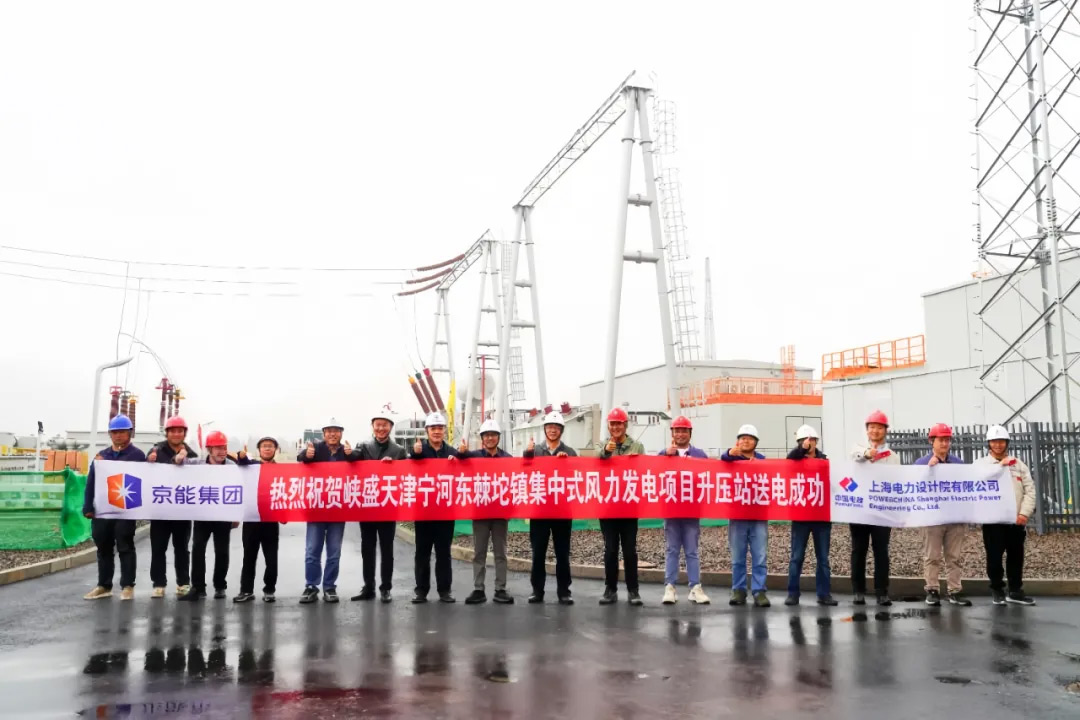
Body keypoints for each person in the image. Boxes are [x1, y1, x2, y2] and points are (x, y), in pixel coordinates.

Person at [82, 415, 145, 600]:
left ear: (129, 433)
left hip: (125, 510)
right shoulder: (102, 456)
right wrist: (88, 506)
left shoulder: (137, 456)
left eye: (122, 432)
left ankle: (127, 586)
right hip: (102, 511)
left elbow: (146, 482)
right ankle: (104, 585)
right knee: (103, 547)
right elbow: (91, 482)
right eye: (114, 432)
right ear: (110, 434)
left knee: (125, 546)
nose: (118, 435)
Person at [350, 409, 406, 603]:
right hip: (367, 506)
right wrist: (349, 453)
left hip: (388, 507)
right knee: (367, 549)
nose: (381, 428)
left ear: (390, 427)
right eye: (378, 425)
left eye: (385, 425)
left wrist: (394, 466)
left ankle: (386, 588)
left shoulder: (398, 451)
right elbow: (352, 462)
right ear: (372, 427)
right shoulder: (363, 446)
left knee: (387, 549)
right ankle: (368, 587)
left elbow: (407, 475)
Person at [975, 425, 1036, 606]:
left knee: (1016, 557)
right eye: (994, 442)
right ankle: (997, 589)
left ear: (1007, 443)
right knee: (994, 558)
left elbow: (1030, 490)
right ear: (988, 444)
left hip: (1016, 521)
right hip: (993, 521)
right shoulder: (980, 465)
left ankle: (1015, 591)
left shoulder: (1018, 465)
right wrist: (999, 467)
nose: (998, 445)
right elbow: (974, 482)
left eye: (1001, 441)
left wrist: (1024, 513)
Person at [522, 411, 577, 605]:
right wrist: (527, 454)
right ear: (544, 429)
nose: (552, 430)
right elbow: (524, 472)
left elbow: (577, 477)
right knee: (538, 553)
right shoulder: (535, 450)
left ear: (561, 430)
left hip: (562, 510)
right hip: (539, 510)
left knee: (562, 553)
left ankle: (564, 591)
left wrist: (566, 463)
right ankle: (537, 591)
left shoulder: (570, 452)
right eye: (549, 427)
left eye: (556, 427)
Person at [458, 419, 514, 605]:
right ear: (482, 438)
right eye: (486, 435)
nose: (490, 438)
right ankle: (478, 589)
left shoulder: (507, 459)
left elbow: (515, 481)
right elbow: (458, 461)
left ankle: (500, 589)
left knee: (500, 553)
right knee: (479, 552)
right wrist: (461, 452)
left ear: (498, 437)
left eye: (493, 435)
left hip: (500, 513)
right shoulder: (473, 457)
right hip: (480, 512)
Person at [914, 423, 970, 607]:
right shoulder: (921, 464)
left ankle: (955, 590)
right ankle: (932, 590)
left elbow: (967, 487)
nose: (945, 443)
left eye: (947, 440)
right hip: (932, 518)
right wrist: (928, 470)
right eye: (941, 440)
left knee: (954, 557)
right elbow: (913, 487)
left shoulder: (958, 464)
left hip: (954, 518)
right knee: (932, 556)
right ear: (932, 441)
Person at [297, 418, 352, 604]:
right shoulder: (316, 449)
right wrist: (307, 455)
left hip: (338, 509)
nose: (332, 434)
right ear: (324, 434)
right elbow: (301, 458)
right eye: (329, 431)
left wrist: (352, 455)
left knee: (334, 552)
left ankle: (329, 587)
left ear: (341, 433)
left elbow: (359, 462)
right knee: (312, 550)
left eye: (336, 430)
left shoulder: (346, 451)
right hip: (316, 509)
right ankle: (311, 586)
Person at [180, 431, 239, 601]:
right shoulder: (197, 464)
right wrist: (179, 456)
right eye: (218, 448)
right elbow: (178, 465)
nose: (222, 451)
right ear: (209, 449)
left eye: (224, 447)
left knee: (222, 551)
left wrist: (236, 515)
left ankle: (220, 586)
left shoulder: (231, 467)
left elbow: (238, 491)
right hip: (202, 515)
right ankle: (198, 588)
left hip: (223, 516)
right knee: (198, 550)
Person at [658, 416, 710, 606]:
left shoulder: (699, 455)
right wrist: (666, 456)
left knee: (692, 550)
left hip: (691, 510)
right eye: (677, 430)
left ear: (690, 433)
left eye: (684, 430)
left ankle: (695, 587)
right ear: (672, 433)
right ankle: (670, 586)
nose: (680, 434)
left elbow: (708, 477)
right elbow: (653, 474)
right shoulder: (664, 454)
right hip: (671, 510)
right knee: (672, 549)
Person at [409, 412, 460, 604]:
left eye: (440, 428)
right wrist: (415, 453)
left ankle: (444, 590)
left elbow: (463, 474)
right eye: (433, 428)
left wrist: (459, 460)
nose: (437, 432)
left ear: (444, 430)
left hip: (446, 512)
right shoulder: (419, 450)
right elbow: (408, 467)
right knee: (422, 552)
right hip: (423, 511)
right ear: (427, 431)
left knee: (443, 553)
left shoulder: (452, 452)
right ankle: (421, 590)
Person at [850, 410, 898, 606]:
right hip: (859, 509)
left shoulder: (893, 456)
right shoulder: (857, 449)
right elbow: (854, 460)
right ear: (867, 430)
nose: (875, 431)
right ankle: (858, 591)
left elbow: (896, 482)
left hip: (882, 511)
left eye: (879, 427)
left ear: (885, 430)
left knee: (881, 551)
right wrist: (867, 454)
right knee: (858, 550)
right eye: (872, 427)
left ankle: (882, 591)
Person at [597, 407, 645, 607]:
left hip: (629, 507)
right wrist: (606, 452)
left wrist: (634, 462)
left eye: (619, 424)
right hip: (608, 508)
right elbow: (596, 462)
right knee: (610, 550)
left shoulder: (637, 446)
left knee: (629, 550)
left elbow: (642, 470)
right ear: (608, 426)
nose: (616, 427)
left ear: (625, 425)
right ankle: (610, 589)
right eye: (613, 424)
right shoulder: (601, 445)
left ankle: (633, 590)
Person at [784, 425, 836, 606]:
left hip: (821, 518)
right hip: (800, 518)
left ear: (816, 442)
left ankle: (824, 594)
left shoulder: (825, 461)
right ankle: (793, 593)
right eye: (804, 441)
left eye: (811, 440)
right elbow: (790, 458)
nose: (808, 443)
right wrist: (801, 450)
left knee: (823, 559)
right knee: (796, 557)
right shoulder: (795, 461)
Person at [146, 415, 197, 598]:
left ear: (184, 433)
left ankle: (183, 583)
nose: (176, 434)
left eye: (180, 431)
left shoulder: (191, 454)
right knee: (158, 547)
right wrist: (148, 461)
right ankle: (158, 583)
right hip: (160, 509)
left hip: (182, 510)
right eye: (173, 431)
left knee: (182, 548)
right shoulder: (156, 450)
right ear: (167, 433)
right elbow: (145, 472)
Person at [722, 424, 769, 608]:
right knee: (737, 556)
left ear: (756, 442)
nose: (746, 441)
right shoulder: (731, 458)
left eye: (749, 438)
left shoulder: (762, 461)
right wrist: (729, 453)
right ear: (737, 441)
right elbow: (723, 459)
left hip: (758, 515)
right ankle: (738, 590)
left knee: (760, 556)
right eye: (742, 438)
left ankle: (759, 591)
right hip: (737, 515)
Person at [234, 436, 282, 604]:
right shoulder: (252, 466)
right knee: (249, 557)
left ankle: (269, 590)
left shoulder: (281, 470)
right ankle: (246, 590)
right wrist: (240, 456)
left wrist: (285, 514)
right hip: (251, 520)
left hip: (271, 521)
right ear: (259, 450)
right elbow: (241, 462)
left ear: (275, 450)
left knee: (271, 559)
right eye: (264, 446)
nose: (267, 448)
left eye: (270, 446)